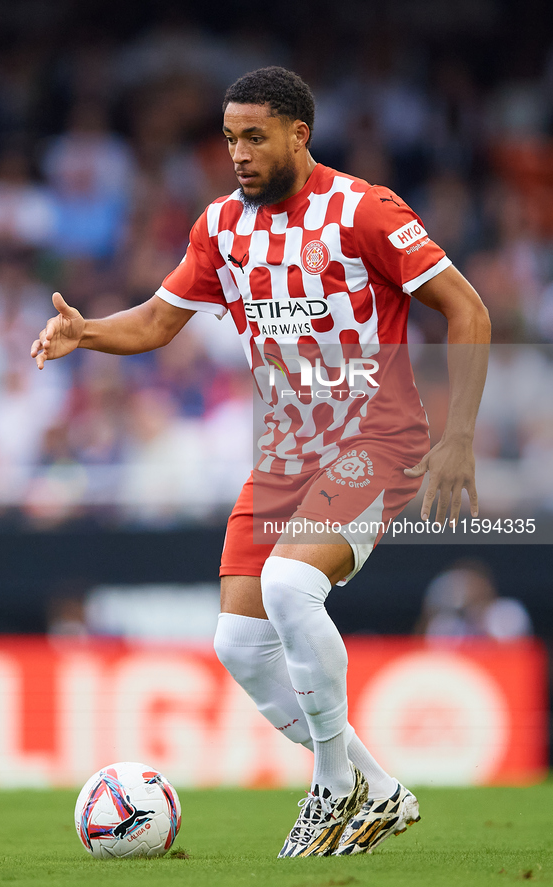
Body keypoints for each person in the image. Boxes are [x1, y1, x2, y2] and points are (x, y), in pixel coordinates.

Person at [31, 67, 491, 858]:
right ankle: (377, 789)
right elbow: (154, 322)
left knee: (287, 585)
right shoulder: (219, 227)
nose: (238, 152)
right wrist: (87, 331)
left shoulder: (364, 209)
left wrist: (458, 438)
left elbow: (468, 307)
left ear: (297, 134)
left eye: (253, 136)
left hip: (376, 438)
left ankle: (330, 783)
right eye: (229, 137)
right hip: (284, 455)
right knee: (238, 647)